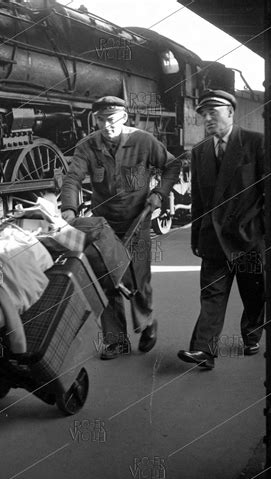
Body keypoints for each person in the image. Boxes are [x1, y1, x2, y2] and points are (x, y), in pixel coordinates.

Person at [60, 96, 181, 359]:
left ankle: (147, 322)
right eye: (100, 120)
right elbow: (73, 178)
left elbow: (173, 165)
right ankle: (116, 340)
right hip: (103, 224)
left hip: (137, 219)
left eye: (111, 119)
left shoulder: (144, 141)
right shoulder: (87, 146)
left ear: (124, 118)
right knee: (106, 278)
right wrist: (68, 208)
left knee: (138, 277)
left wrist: (159, 193)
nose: (106, 125)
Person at [177, 90, 265, 370]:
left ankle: (252, 334)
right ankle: (203, 350)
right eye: (203, 113)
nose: (207, 118)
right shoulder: (200, 151)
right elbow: (199, 201)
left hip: (248, 237)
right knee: (212, 295)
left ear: (230, 112)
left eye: (213, 111)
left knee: (253, 293)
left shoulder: (256, 143)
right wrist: (196, 237)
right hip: (214, 239)